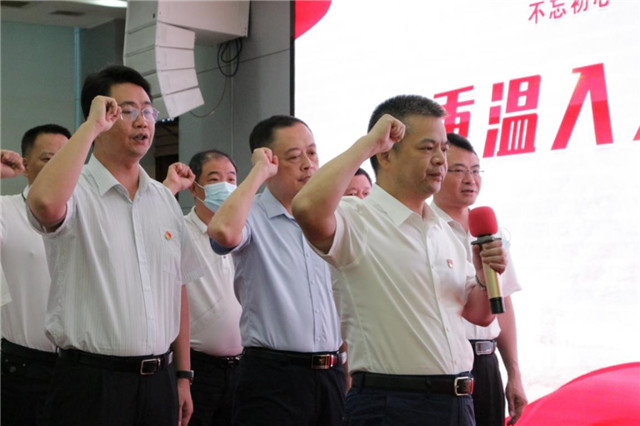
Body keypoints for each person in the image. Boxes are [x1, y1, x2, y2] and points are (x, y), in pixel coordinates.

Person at [292, 94, 508, 425]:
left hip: (458, 402)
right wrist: (367, 144)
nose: (440, 160)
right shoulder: (357, 219)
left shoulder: (444, 231)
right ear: (386, 154)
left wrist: (483, 276)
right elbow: (306, 207)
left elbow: (479, 314)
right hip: (391, 403)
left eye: (443, 149)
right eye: (427, 148)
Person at [26, 65, 204, 426]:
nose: (143, 121)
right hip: (92, 384)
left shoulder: (164, 199)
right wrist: (90, 128)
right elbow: (43, 204)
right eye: (127, 111)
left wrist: (183, 376)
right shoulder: (74, 189)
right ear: (101, 116)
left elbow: (178, 287)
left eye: (148, 111)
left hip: (159, 381)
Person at [208, 115, 345, 425]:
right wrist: (258, 173)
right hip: (273, 377)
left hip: (331, 373)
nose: (308, 164)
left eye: (312, 153)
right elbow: (224, 233)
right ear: (269, 162)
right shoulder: (252, 214)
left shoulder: (331, 217)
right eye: (294, 157)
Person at [432, 132, 528, 425]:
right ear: (437, 171)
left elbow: (503, 304)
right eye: (459, 171)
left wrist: (514, 373)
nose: (470, 180)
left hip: (486, 364)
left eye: (475, 171)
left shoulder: (490, 232)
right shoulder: (424, 228)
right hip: (442, 366)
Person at [163, 150, 243, 426]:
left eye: (231, 179)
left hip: (243, 367)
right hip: (198, 368)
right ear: (195, 188)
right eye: (215, 179)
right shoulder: (178, 231)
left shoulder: (242, 233)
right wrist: (182, 376)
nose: (226, 186)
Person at [1, 125, 70, 426]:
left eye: (67, 157)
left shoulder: (85, 216)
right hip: (24, 368)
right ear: (26, 165)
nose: (59, 167)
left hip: (82, 369)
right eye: (47, 159)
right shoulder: (6, 211)